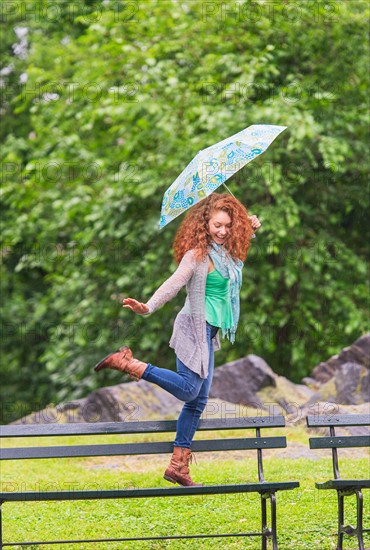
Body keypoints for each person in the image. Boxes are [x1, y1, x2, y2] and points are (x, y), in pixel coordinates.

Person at [94, 193, 261, 486]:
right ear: (205, 223)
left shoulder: (229, 253)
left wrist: (250, 229)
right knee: (187, 391)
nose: (222, 231)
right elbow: (175, 282)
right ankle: (129, 364)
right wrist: (148, 306)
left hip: (208, 335)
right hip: (191, 329)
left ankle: (178, 467)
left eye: (228, 226)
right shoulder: (197, 255)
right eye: (217, 225)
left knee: (198, 401)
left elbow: (236, 261)